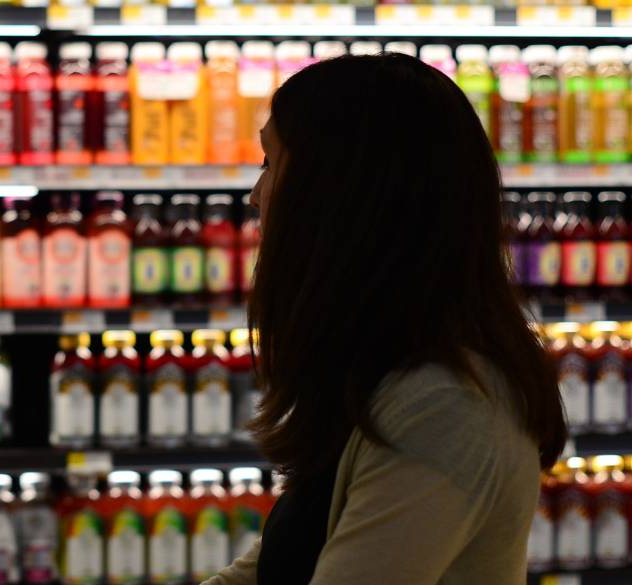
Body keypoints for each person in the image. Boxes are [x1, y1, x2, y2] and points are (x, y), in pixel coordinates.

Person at [205, 53, 567, 585]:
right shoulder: (381, 373)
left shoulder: (444, 409)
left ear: (340, 196)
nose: (256, 196)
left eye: (269, 163)